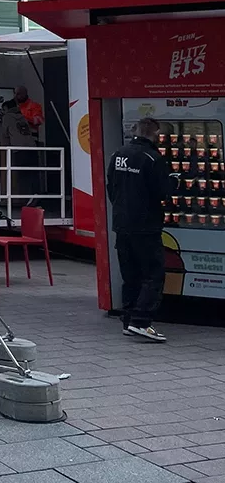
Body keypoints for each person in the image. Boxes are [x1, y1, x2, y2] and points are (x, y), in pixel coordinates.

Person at [107, 117, 178, 342]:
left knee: (130, 274)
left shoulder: (117, 154)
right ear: (154, 134)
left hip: (121, 223)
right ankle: (142, 322)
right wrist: (174, 182)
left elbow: (111, 187)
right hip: (146, 225)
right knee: (153, 274)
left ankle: (129, 320)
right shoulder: (152, 158)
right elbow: (162, 193)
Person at [0, 86, 37, 195]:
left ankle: (23, 199)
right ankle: (34, 198)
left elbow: (5, 134)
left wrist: (2, 119)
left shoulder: (7, 117)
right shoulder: (23, 116)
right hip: (32, 147)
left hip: (19, 149)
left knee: (21, 176)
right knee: (33, 175)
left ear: (6, 109)